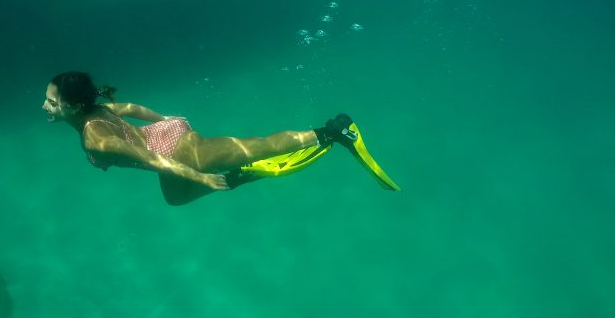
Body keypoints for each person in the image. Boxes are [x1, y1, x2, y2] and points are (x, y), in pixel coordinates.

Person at [43, 71, 398, 206]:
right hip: (167, 136)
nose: (44, 105)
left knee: (256, 146)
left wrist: (201, 177)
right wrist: (167, 120)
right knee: (174, 198)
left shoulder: (94, 140)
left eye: (51, 101)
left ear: (73, 106)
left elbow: (152, 160)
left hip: (174, 152)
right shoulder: (96, 111)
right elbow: (133, 107)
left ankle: (334, 131)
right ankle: (241, 173)